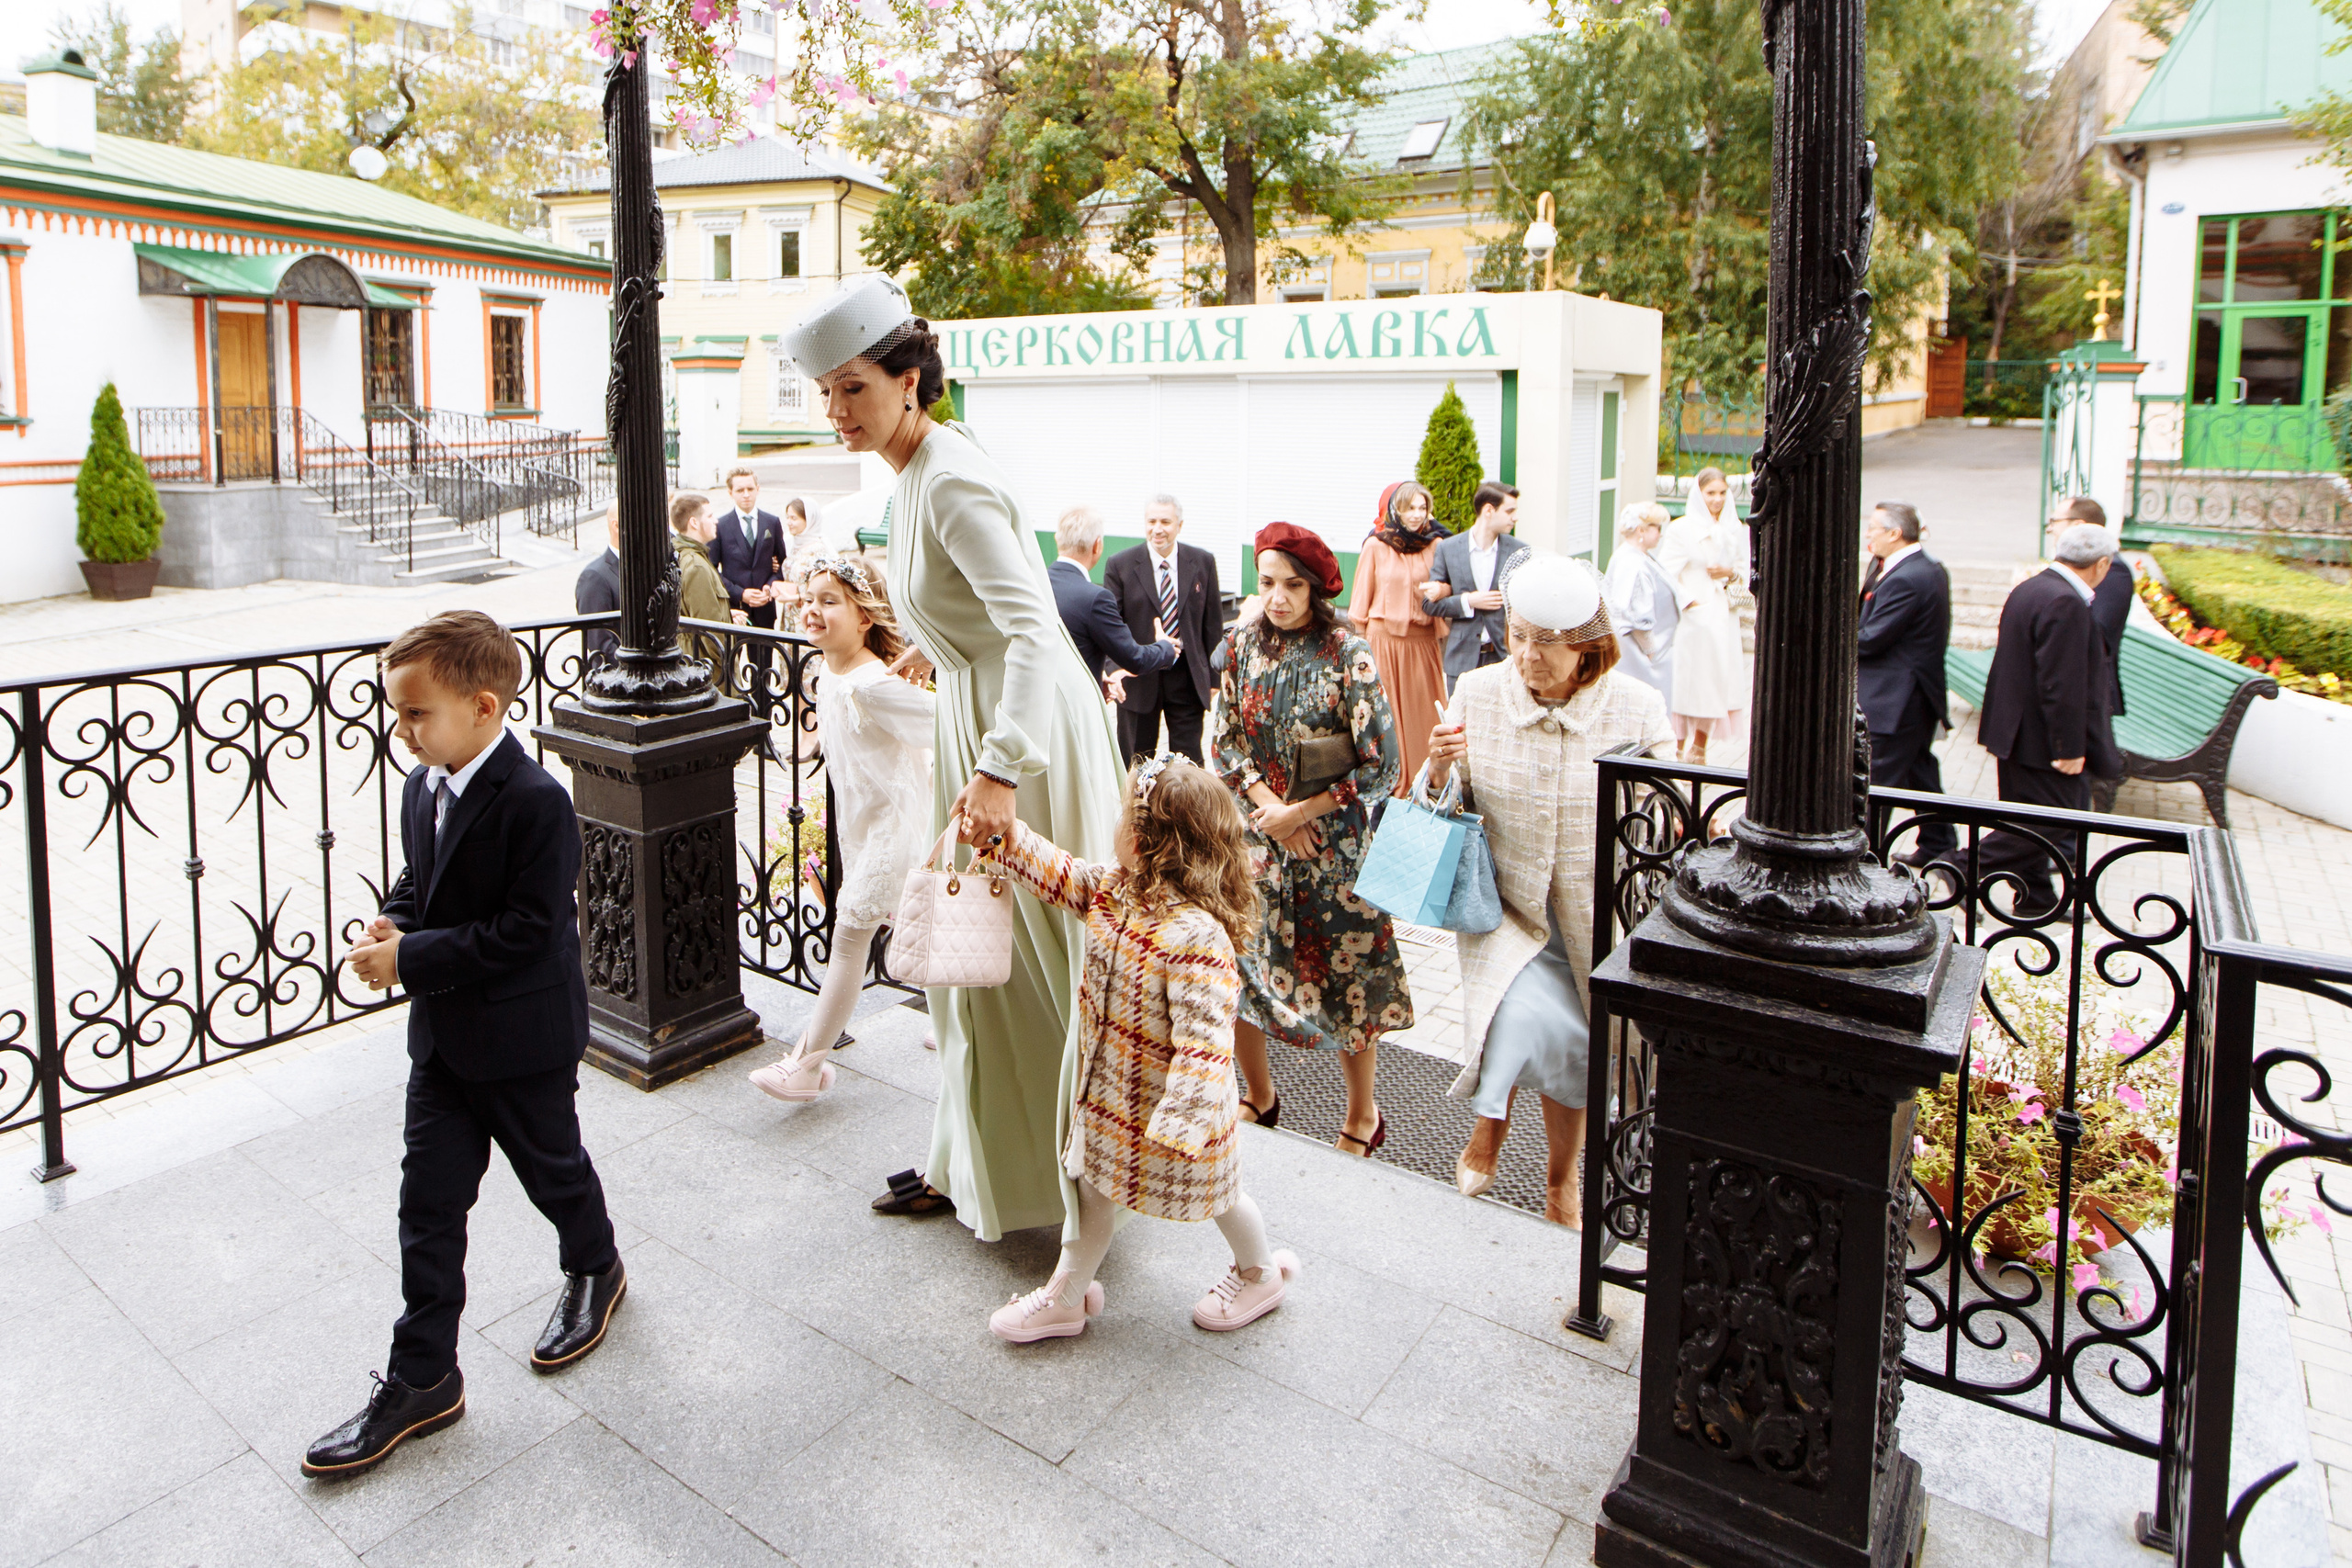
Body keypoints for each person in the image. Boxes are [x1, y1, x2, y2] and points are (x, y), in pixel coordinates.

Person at [782, 276, 1125, 1239]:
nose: (838, 410)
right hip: (994, 719)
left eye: (853, 388)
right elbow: (984, 606)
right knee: (973, 971)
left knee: (1020, 974)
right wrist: (929, 647)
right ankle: (969, 1166)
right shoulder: (925, 467)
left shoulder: (950, 474)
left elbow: (1026, 627)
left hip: (1023, 738)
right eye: (827, 394)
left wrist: (999, 768)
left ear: (909, 379)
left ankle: (1058, 1193)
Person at [306, 611, 621, 1479]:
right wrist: (396, 918)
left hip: (524, 1037)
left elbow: (528, 930)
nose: (401, 731)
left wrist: (410, 955)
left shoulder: (537, 801)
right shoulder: (424, 784)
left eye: (416, 714)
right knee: (428, 1207)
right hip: (443, 1043)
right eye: (396, 713)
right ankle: (424, 1375)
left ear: (483, 706)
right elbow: (423, 877)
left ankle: (596, 1264)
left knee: (552, 1168)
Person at [984, 757, 1302, 1342]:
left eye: (1122, 815)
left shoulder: (1195, 934)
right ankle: (1067, 1295)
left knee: (1222, 1198)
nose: (1113, 827)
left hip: (1176, 1113)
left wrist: (1184, 1118)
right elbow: (1068, 877)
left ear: (1145, 839)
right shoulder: (1119, 891)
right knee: (1092, 1187)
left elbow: (1206, 1041)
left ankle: (1260, 1273)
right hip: (1108, 1094)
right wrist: (1008, 838)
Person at [1425, 556, 1671, 1226]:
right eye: (1519, 635)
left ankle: (1562, 1181)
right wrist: (1440, 765)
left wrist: (1666, 812)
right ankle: (1488, 1127)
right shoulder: (1477, 692)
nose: (1526, 656)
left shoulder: (1638, 707)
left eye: (1545, 643)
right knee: (1518, 1016)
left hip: (1597, 920)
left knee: (1575, 1046)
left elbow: (1666, 817)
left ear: (1587, 651)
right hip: (1506, 912)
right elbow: (1440, 807)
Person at [1212, 522, 1411, 1156]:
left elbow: (1383, 763)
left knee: (1348, 974)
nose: (1277, 597)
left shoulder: (1346, 651)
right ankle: (1259, 1095)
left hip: (1333, 847)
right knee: (1241, 970)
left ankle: (1361, 1115)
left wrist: (1305, 814)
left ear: (1316, 588)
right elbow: (1224, 741)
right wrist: (1273, 810)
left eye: (1292, 585)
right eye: (1267, 582)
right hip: (1258, 838)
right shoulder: (1241, 645)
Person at [748, 557, 933, 1103]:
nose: (812, 610)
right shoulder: (830, 672)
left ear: (865, 618)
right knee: (923, 935)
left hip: (892, 833)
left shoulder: (874, 685)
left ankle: (805, 1064)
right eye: (809, 600)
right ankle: (957, 1028)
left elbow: (947, 725)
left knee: (850, 940)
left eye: (830, 602)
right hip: (862, 830)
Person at [1969, 524, 2124, 917]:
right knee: (2048, 823)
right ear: (2102, 564)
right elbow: (2062, 684)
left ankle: (2035, 899)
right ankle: (1959, 867)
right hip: (2041, 739)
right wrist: (2068, 748)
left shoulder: (2033, 587)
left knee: (2026, 814)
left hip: (2016, 732)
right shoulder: (2065, 601)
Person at [1857, 501, 1956, 864]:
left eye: (1873, 528)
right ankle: (1940, 845)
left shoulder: (1911, 577)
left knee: (1876, 782)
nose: (1867, 534)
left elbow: (1871, 638)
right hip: (1905, 695)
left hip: (1897, 701)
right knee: (1920, 772)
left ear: (1895, 534)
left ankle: (1862, 858)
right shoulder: (1905, 567)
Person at [1104, 494, 1223, 765]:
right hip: (1137, 676)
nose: (1158, 528)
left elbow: (1212, 622)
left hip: (1187, 677)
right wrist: (1114, 670)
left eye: (1166, 522)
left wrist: (1214, 679)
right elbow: (1111, 625)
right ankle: (1136, 806)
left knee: (1188, 762)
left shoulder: (1202, 562)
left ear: (1179, 525)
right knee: (1135, 760)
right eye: (1152, 521)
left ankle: (1185, 808)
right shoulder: (1120, 565)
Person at [1351, 480, 1450, 792]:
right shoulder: (1376, 546)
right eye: (1410, 508)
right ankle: (1390, 783)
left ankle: (1426, 782)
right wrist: (1362, 654)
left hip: (1422, 643)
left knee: (1426, 717)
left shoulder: (1436, 545)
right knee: (1387, 716)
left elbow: (1450, 585)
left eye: (1423, 508)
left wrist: (1443, 590)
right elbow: (1359, 605)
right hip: (1384, 644)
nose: (1418, 515)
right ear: (1396, 510)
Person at [1656, 467, 1750, 763]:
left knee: (1716, 681)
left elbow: (1746, 571)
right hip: (1692, 621)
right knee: (1688, 682)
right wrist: (1688, 601)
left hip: (1724, 615)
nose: (1718, 499)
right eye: (1711, 493)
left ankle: (1700, 748)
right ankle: (1676, 748)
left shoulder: (1736, 529)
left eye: (1723, 493)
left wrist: (1730, 573)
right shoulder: (1682, 529)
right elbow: (1665, 572)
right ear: (1699, 494)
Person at [1050, 506, 1181, 693]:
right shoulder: (1096, 598)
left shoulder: (1036, 584)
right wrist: (1165, 648)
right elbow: (1135, 659)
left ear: (1057, 539)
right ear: (1097, 546)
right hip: (1075, 707)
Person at [1422, 480, 1527, 692]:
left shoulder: (1520, 552)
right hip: (1461, 660)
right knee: (1460, 724)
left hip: (1504, 658)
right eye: (1509, 511)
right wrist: (1468, 601)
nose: (1515, 517)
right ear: (1489, 510)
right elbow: (1429, 604)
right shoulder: (1448, 549)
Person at [713, 468, 787, 733]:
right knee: (735, 665)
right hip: (737, 609)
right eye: (740, 490)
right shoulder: (721, 526)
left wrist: (769, 586)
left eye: (750, 489)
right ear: (730, 493)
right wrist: (740, 594)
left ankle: (763, 727)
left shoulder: (771, 522)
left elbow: (781, 563)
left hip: (766, 608)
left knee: (764, 667)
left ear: (758, 489)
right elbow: (714, 571)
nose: (746, 495)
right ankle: (736, 724)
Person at [2049, 495, 2131, 731]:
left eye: (2056, 521)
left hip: (2089, 693)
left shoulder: (2112, 569)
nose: (2051, 528)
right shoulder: (2073, 567)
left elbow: (2098, 629)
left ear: (2078, 526)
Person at [1600, 502, 1679, 705]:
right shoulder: (1633, 563)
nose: (1661, 534)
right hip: (1638, 655)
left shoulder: (1634, 555)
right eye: (1657, 528)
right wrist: (1652, 652)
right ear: (1641, 530)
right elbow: (1636, 613)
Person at [670, 491, 741, 678]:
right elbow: (711, 631)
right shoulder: (696, 565)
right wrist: (727, 662)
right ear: (694, 522)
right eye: (709, 516)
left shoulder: (690, 557)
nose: (715, 521)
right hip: (711, 673)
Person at [573, 502, 621, 667]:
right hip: (618, 681)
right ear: (616, 526)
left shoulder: (641, 567)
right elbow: (600, 644)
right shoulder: (595, 577)